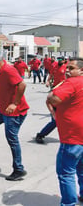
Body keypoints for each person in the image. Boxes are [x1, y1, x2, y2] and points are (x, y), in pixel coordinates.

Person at [46, 58, 83, 205]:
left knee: (65, 173)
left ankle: (68, 203)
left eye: (71, 68)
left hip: (72, 136)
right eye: (67, 68)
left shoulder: (73, 82)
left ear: (81, 70)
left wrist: (50, 95)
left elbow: (54, 99)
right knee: (81, 169)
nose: (67, 71)